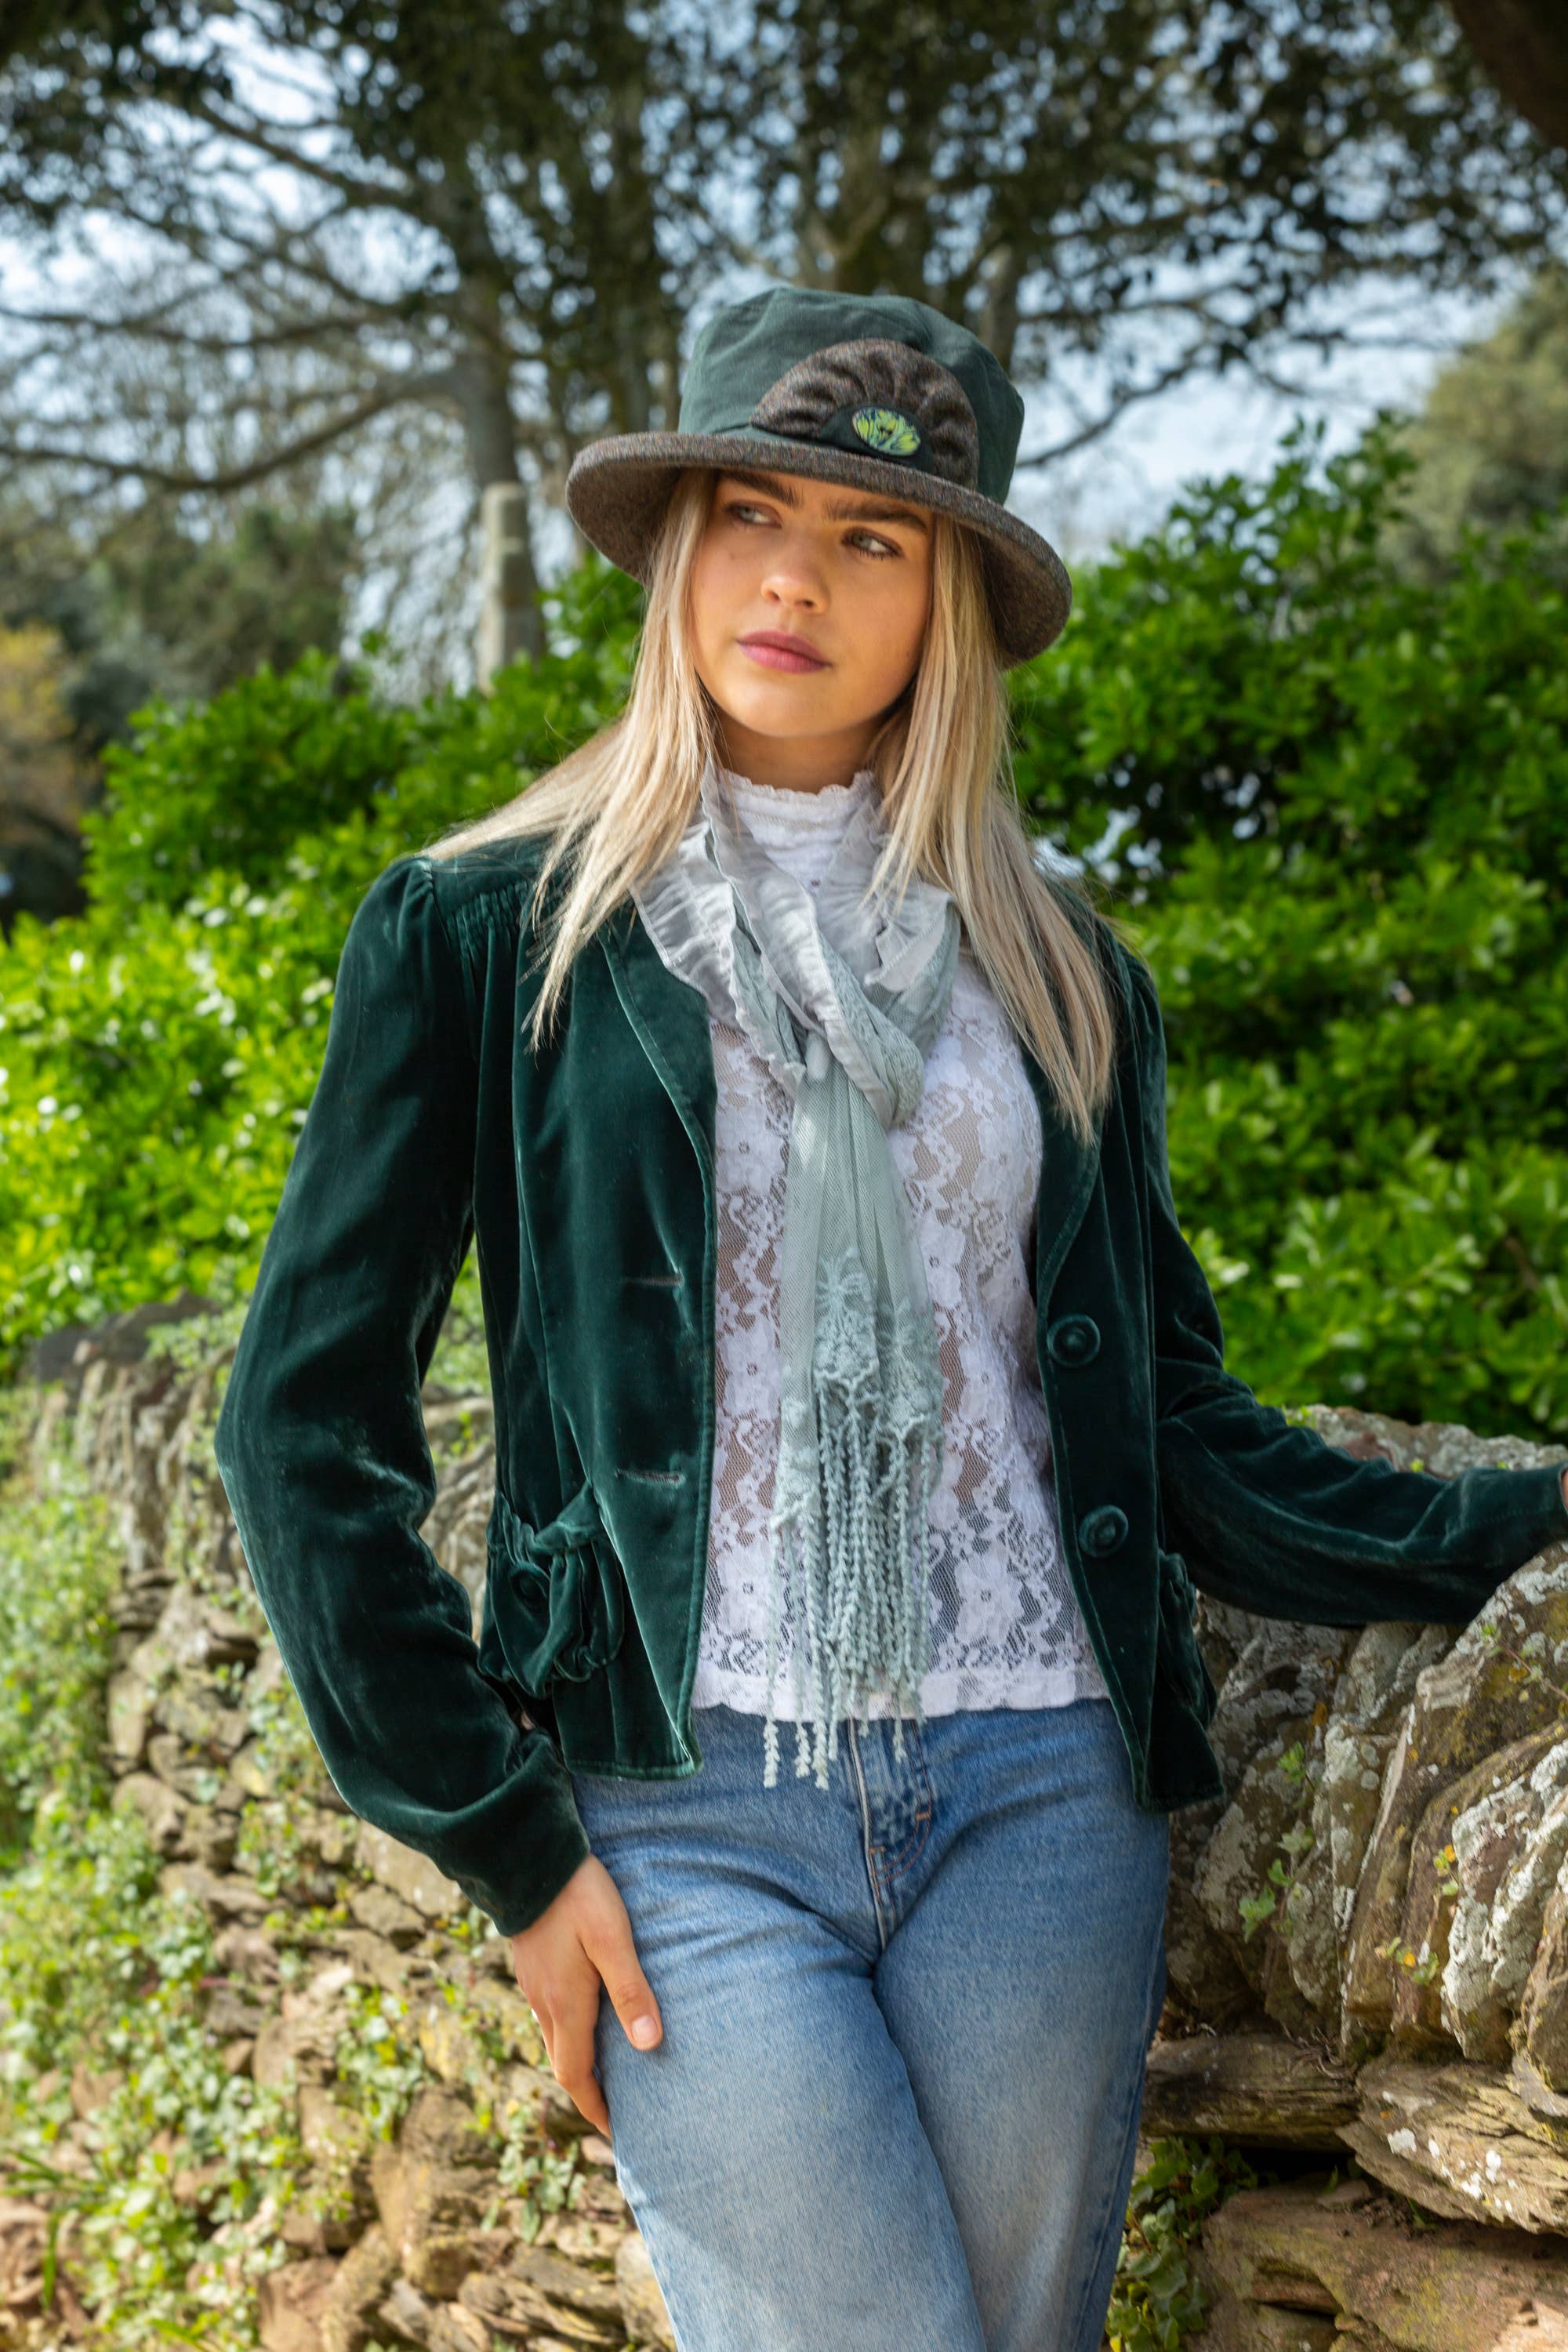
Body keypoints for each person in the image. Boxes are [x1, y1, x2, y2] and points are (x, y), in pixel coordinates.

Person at [212, 285, 1568, 2352]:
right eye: (753, 516)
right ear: (680, 550)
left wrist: (1517, 1524)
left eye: (872, 539)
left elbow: (1174, 1428)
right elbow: (302, 1435)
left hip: (1044, 1796)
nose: (797, 580)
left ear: (949, 604)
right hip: (683, 1811)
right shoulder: (486, 934)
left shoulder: (1059, 968)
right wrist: (504, 1843)